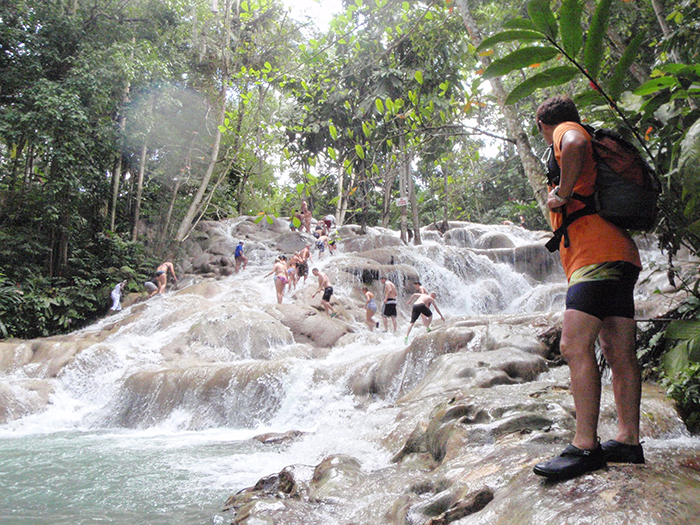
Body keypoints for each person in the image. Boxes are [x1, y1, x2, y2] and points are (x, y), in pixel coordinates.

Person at [532, 95, 644, 481]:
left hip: (594, 258)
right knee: (618, 350)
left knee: (573, 345)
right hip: (620, 254)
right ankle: (628, 441)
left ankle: (585, 446)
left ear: (543, 124)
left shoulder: (566, 131)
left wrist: (561, 194)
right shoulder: (586, 140)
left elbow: (574, 143)